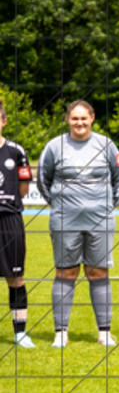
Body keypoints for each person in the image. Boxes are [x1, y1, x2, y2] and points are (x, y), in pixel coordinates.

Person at [38, 99, 119, 348]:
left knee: (98, 272)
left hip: (100, 220)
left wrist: (105, 207)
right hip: (65, 221)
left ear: (92, 118)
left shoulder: (106, 145)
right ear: (68, 120)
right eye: (74, 118)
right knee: (66, 272)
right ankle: (61, 332)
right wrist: (60, 206)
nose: (79, 123)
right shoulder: (54, 147)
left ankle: (104, 332)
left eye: (83, 118)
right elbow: (43, 180)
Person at [0, 100, 35, 348]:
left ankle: (20, 332)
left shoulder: (16, 151)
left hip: (9, 219)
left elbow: (23, 188)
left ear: (3, 121)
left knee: (16, 277)